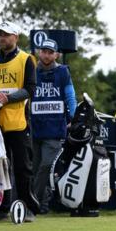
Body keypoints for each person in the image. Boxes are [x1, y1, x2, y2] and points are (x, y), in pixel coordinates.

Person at [0, 21, 40, 221]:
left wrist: (7, 98)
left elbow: (30, 89)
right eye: (0, 34)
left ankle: (28, 208)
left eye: (6, 34)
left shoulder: (26, 59)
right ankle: (2, 207)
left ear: (15, 37)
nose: (2, 38)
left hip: (19, 122)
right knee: (0, 167)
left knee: (23, 168)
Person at [30, 38, 77, 214]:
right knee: (34, 168)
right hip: (35, 128)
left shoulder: (63, 72)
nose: (47, 55)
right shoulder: (32, 71)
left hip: (55, 129)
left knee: (46, 166)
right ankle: (41, 205)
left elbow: (70, 97)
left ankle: (31, 202)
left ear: (56, 54)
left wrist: (73, 117)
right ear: (39, 52)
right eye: (44, 51)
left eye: (51, 52)